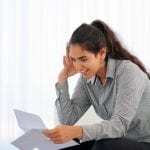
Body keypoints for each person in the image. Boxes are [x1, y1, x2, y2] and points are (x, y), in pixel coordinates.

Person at [43, 19, 150, 150]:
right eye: (74, 60)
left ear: (102, 54)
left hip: (145, 142)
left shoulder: (128, 72)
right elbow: (68, 121)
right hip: (119, 142)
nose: (78, 66)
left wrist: (78, 131)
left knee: (103, 146)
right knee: (66, 147)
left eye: (83, 59)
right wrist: (62, 78)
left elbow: (119, 126)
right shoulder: (86, 79)